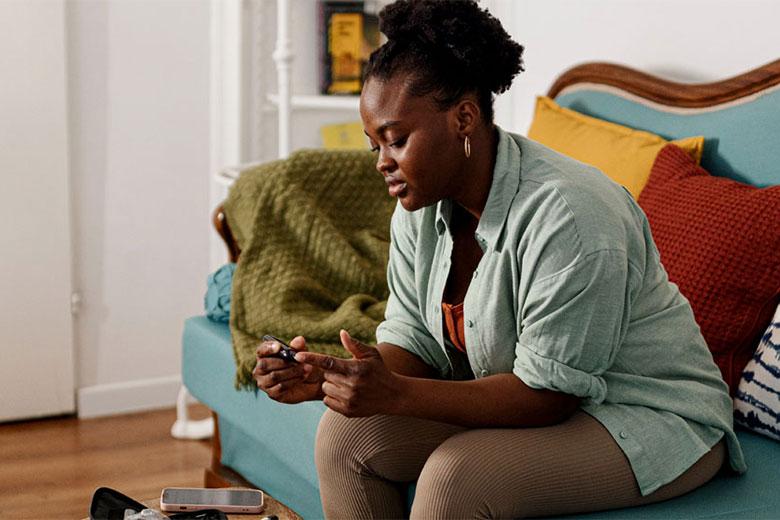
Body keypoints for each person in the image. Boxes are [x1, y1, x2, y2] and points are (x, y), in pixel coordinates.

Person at [252, 1, 745, 517]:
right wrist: (334, 378)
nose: (382, 163)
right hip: (543, 398)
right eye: (374, 143)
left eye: (397, 140)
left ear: (464, 117)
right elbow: (413, 340)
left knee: (457, 478)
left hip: (644, 414)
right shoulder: (418, 204)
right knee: (345, 438)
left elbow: (548, 395)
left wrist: (395, 395)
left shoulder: (569, 214)